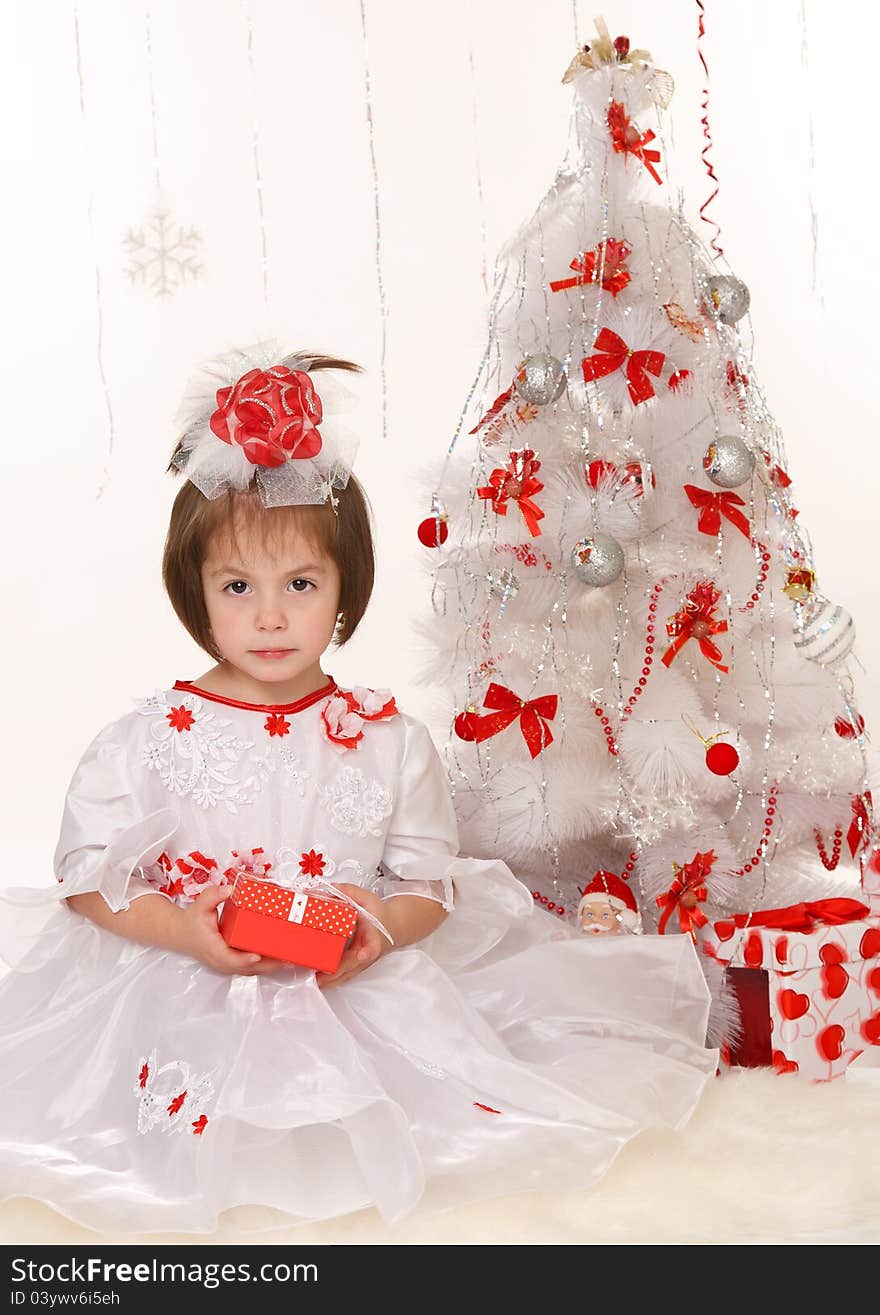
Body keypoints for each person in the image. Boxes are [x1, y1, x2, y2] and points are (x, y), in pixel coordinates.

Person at [0, 343, 717, 1235]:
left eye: (300, 583)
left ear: (345, 587)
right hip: (178, 972)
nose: (269, 614)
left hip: (342, 975)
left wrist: (376, 927)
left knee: (448, 1091)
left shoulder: (385, 739)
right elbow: (89, 877)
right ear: (196, 590)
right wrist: (183, 927)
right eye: (238, 585)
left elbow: (427, 881)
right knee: (135, 1115)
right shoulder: (147, 736)